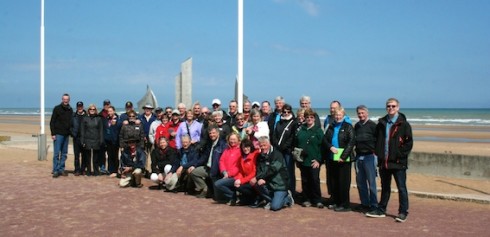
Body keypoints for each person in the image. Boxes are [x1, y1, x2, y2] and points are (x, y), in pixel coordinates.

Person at [372, 98, 413, 222]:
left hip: (398, 162)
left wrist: (399, 154)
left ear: (398, 107)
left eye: (393, 106)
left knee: (401, 188)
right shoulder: (381, 123)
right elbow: (376, 140)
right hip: (384, 162)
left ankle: (402, 212)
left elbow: (408, 143)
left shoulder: (404, 124)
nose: (391, 108)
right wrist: (378, 154)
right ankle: (381, 209)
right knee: (385, 187)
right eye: (388, 106)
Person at [322, 106, 355, 212]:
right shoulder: (331, 126)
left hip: (343, 159)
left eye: (340, 115)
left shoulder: (348, 126)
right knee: (334, 181)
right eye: (336, 115)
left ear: (343, 115)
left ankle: (345, 205)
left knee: (343, 182)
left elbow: (351, 143)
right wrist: (330, 147)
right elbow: (325, 140)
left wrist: (343, 156)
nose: (338, 117)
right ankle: (336, 201)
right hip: (332, 158)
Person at [252, 136, 293, 211]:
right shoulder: (260, 156)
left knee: (275, 207)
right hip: (269, 184)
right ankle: (271, 200)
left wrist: (262, 178)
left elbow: (273, 170)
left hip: (280, 185)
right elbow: (259, 170)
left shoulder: (277, 155)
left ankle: (287, 198)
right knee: (256, 183)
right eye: (261, 146)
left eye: (265, 145)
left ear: (269, 144)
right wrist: (258, 178)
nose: (263, 147)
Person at [352, 105, 379, 214]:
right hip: (359, 157)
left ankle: (374, 205)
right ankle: (364, 203)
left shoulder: (373, 125)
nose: (361, 115)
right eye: (359, 113)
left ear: (367, 113)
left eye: (363, 113)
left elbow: (378, 141)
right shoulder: (357, 126)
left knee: (371, 182)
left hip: (370, 157)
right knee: (360, 182)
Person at [295, 108, 324, 208]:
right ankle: (306, 199)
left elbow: (322, 147)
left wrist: (319, 160)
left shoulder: (318, 131)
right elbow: (296, 144)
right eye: (307, 117)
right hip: (303, 160)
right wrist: (297, 158)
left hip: (314, 160)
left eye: (311, 117)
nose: (309, 119)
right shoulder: (301, 130)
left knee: (315, 180)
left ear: (314, 118)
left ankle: (317, 200)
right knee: (305, 180)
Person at [190, 125, 227, 199]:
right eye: (210, 133)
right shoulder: (209, 143)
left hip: (216, 171)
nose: (212, 135)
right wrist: (194, 165)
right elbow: (204, 157)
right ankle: (205, 189)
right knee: (194, 172)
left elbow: (223, 160)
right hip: (208, 168)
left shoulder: (222, 144)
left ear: (218, 133)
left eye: (213, 133)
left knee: (217, 198)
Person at [271, 104, 298, 195]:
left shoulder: (293, 122)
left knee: (289, 171)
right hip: (278, 150)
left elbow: (292, 137)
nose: (286, 113)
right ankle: (281, 190)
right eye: (284, 111)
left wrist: (284, 146)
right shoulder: (279, 122)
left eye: (288, 111)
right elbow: (274, 135)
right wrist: (276, 144)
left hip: (287, 151)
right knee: (279, 170)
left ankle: (291, 192)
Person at [214, 133, 242, 204]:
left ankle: (233, 196)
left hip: (235, 176)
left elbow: (238, 166)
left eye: (234, 139)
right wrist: (224, 171)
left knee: (217, 184)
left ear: (238, 140)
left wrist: (228, 174)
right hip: (226, 174)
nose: (232, 141)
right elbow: (221, 161)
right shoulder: (227, 150)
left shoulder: (240, 151)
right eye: (231, 139)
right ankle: (231, 197)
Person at [50, 93, 73, 178]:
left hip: (66, 135)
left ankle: (61, 169)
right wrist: (53, 133)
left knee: (64, 153)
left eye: (67, 99)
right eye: (64, 99)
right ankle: (55, 170)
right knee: (56, 153)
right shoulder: (57, 108)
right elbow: (52, 122)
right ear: (62, 99)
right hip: (58, 134)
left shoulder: (70, 110)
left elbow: (71, 122)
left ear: (69, 100)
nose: (65, 100)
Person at [80, 104, 104, 176]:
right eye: (91, 109)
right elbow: (82, 130)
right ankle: (89, 171)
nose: (92, 110)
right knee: (87, 157)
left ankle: (96, 171)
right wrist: (82, 140)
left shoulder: (99, 119)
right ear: (88, 110)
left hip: (96, 140)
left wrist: (101, 140)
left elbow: (101, 130)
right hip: (87, 140)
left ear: (95, 110)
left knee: (95, 158)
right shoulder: (85, 118)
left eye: (93, 109)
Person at [103, 105, 120, 176]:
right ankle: (110, 170)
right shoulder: (107, 119)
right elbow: (105, 129)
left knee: (115, 156)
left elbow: (119, 128)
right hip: (108, 140)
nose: (109, 112)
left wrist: (114, 124)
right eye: (108, 111)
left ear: (114, 111)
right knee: (109, 156)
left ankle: (115, 171)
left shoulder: (118, 119)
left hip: (115, 141)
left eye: (110, 111)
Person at [71, 101, 86, 176]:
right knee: (76, 155)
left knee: (84, 155)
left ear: (83, 107)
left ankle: (83, 169)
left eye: (81, 107)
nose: (80, 108)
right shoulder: (73, 115)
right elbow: (70, 126)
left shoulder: (86, 115)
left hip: (84, 138)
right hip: (76, 138)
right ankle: (77, 170)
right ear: (77, 107)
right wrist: (73, 134)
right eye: (78, 107)